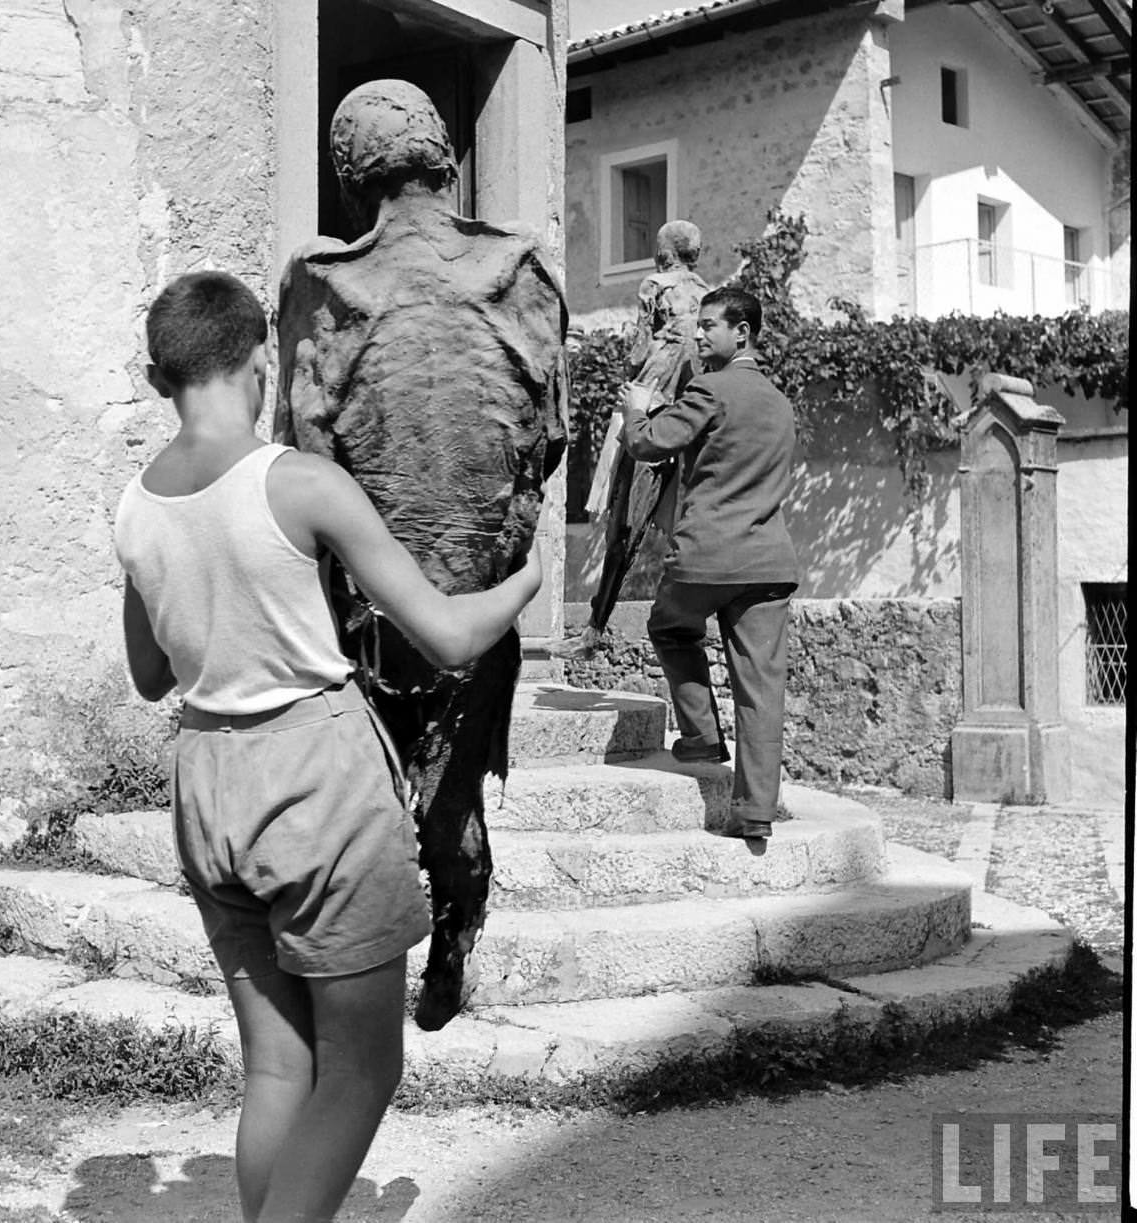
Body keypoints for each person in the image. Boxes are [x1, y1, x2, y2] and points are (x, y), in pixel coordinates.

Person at [114, 270, 542, 1223]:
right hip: (314, 777)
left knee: (277, 1062)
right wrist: (523, 583)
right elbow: (448, 634)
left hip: (206, 777)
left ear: (157, 380)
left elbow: (151, 675)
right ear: (265, 361)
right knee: (362, 1067)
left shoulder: (135, 509)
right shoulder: (299, 483)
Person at [275, 79, 567, 1031]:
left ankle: (359, 976)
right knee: (455, 779)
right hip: (481, 593)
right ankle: (454, 913)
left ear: (349, 174)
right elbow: (549, 437)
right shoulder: (528, 268)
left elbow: (306, 447)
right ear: (444, 157)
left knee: (366, 784)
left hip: (371, 603)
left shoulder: (320, 284)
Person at [621, 285, 798, 841]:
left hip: (706, 559)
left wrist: (635, 413)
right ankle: (755, 813)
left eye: (709, 325)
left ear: (740, 333)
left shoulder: (710, 388)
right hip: (769, 564)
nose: (698, 334)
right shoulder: (779, 401)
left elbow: (651, 444)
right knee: (761, 689)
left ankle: (701, 736)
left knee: (670, 627)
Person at [566, 219, 712, 661]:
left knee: (623, 529)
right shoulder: (708, 294)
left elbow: (637, 350)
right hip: (691, 412)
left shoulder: (655, 284)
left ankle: (594, 631)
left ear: (665, 252)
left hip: (649, 408)